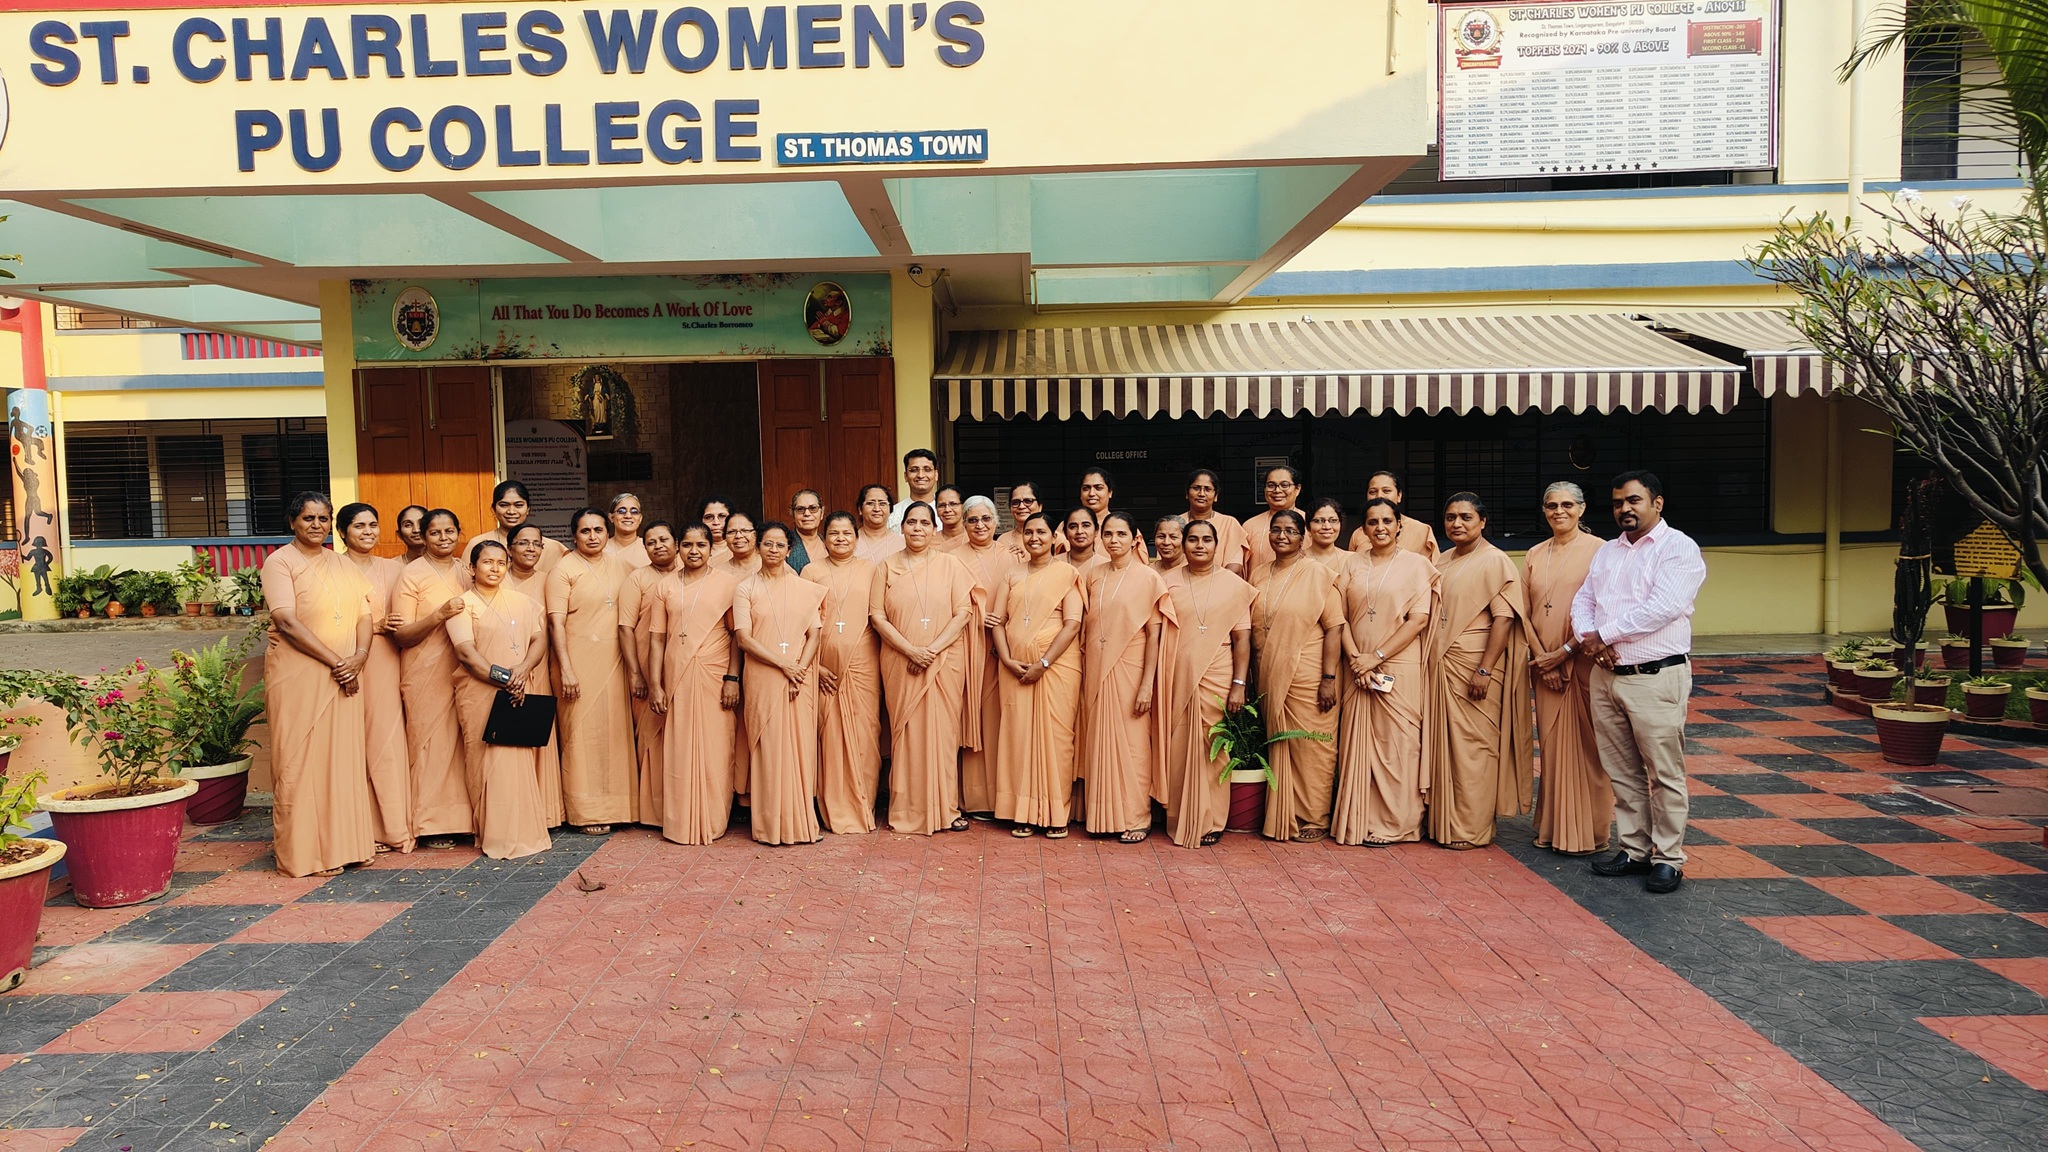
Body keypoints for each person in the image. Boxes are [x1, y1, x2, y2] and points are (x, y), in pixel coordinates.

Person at [1575, 470, 1707, 895]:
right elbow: (1584, 600)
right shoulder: (1608, 552)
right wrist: (1590, 638)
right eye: (1618, 502)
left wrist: (1604, 636)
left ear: (1657, 503)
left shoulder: (1678, 548)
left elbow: (1663, 607)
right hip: (1607, 676)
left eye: (1633, 500)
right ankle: (1634, 850)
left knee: (1664, 772)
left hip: (1655, 677)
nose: (1624, 509)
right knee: (1622, 771)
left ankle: (1668, 858)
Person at [260, 492, 377, 877]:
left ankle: (348, 846)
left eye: (323, 518)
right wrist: (337, 663)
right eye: (308, 518)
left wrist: (359, 657)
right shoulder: (280, 562)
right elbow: (287, 621)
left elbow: (364, 616)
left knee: (342, 760)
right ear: (292, 521)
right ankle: (307, 854)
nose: (317, 525)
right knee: (302, 761)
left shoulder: (342, 564)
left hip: (346, 674)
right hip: (301, 674)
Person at [1425, 493, 1533, 850]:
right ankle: (1445, 822)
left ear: (1482, 522)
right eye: (1450, 517)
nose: (1457, 523)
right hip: (1442, 664)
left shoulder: (1495, 561)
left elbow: (1503, 619)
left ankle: (1473, 827)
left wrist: (1484, 670)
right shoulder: (1442, 560)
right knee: (1447, 748)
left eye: (1466, 517)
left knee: (1474, 749)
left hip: (1475, 667)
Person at [1331, 498, 1437, 846]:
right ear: (1363, 528)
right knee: (1358, 743)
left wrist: (1375, 657)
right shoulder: (1351, 563)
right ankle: (1360, 819)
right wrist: (1355, 659)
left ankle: (1400, 824)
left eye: (1387, 521)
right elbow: (1339, 617)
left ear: (1398, 525)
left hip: (1397, 664)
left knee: (1399, 743)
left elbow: (1418, 620)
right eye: (1373, 522)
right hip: (1356, 665)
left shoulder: (1417, 565)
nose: (1380, 528)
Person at [870, 501, 979, 835]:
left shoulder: (951, 564)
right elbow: (877, 616)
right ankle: (907, 810)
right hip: (900, 660)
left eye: (924, 523)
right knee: (907, 734)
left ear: (934, 529)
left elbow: (963, 612)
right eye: (911, 522)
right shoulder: (886, 567)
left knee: (943, 736)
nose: (917, 528)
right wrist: (910, 651)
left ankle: (945, 808)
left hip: (944, 660)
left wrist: (931, 650)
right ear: (901, 528)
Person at [445, 540, 553, 860]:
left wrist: (522, 670)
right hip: (480, 693)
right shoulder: (463, 605)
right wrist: (508, 680)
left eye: (501, 563)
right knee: (486, 762)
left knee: (516, 760)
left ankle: (526, 832)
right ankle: (494, 833)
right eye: (487, 562)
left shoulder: (522, 601)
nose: (495, 568)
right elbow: (466, 653)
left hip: (517, 690)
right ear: (472, 568)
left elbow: (539, 638)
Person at [1522, 482, 1612, 856]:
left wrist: (1564, 653)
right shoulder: (1534, 553)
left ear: (1582, 508)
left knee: (1589, 748)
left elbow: (1604, 608)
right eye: (1551, 505)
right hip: (1544, 666)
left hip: (1583, 661)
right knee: (1553, 749)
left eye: (1567, 504)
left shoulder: (1602, 550)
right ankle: (1553, 828)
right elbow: (1524, 613)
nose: (1559, 511)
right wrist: (1543, 658)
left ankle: (1590, 832)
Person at [1154, 519, 1255, 848]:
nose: (1199, 545)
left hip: (1218, 671)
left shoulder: (1233, 585)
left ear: (1216, 545)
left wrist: (1239, 683)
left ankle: (1211, 819)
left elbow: (1242, 638)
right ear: (1183, 545)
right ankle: (1176, 814)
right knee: (1177, 744)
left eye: (1207, 540)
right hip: (1175, 672)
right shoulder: (1165, 581)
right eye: (1193, 539)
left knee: (1214, 747)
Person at [1249, 508, 1344, 842]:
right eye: (1276, 530)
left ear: (1303, 538)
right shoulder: (1258, 574)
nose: (1282, 536)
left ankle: (1314, 816)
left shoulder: (1319, 574)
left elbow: (1335, 629)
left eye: (1290, 531)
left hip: (1308, 675)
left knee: (1312, 746)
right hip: (1269, 673)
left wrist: (1328, 679)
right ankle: (1282, 814)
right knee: (1280, 743)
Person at [991, 511, 1085, 836]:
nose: (1034, 538)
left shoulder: (1067, 573)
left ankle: (1056, 814)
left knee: (1056, 740)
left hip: (1057, 668)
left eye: (1041, 532)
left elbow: (1072, 624)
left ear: (1054, 537)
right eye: (1029, 532)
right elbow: (998, 621)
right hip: (1014, 669)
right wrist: (1006, 659)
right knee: (1017, 738)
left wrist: (1043, 663)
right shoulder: (1011, 574)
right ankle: (1023, 812)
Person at [733, 522, 827, 846]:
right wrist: (784, 665)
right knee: (770, 749)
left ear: (790, 550)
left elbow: (814, 634)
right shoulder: (745, 588)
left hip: (800, 677)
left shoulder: (804, 588)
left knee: (800, 748)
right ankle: (770, 826)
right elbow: (744, 639)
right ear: (758, 546)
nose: (773, 550)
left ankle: (801, 823)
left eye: (780, 545)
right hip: (763, 675)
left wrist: (799, 668)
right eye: (767, 544)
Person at [649, 524, 743, 844]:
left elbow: (737, 637)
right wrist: (656, 684)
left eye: (701, 545)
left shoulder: (728, 584)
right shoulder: (665, 586)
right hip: (677, 674)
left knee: (716, 748)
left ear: (711, 548)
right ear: (678, 547)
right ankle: (681, 821)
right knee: (680, 747)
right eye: (687, 545)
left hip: (715, 676)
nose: (694, 551)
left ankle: (713, 819)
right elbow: (657, 640)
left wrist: (732, 678)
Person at [1079, 511, 1170, 843]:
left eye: (1121, 534)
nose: (1113, 540)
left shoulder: (1148, 577)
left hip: (1131, 669)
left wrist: (1147, 684)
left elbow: (1155, 635)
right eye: (1108, 534)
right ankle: (1103, 817)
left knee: (1133, 747)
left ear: (1135, 539)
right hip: (1096, 668)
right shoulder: (1094, 575)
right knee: (1099, 742)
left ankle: (1137, 817)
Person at [546, 508, 637, 834]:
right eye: (585, 531)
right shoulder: (563, 569)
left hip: (614, 661)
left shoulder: (622, 566)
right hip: (577, 664)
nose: (593, 536)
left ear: (607, 532)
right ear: (574, 536)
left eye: (598, 529)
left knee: (614, 734)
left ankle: (618, 808)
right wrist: (566, 669)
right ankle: (585, 812)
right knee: (581, 736)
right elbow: (555, 623)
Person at [393, 509, 475, 844]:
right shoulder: (411, 574)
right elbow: (402, 634)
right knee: (430, 745)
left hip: (466, 669)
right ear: (424, 537)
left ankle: (466, 819)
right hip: (425, 671)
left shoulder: (467, 570)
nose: (443, 538)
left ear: (459, 533)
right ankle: (431, 824)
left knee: (463, 743)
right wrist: (438, 615)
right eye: (435, 532)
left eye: (449, 531)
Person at [337, 502, 413, 854]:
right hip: (349, 659)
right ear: (342, 532)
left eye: (372, 525)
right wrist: (376, 626)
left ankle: (392, 826)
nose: (367, 532)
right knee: (352, 742)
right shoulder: (333, 567)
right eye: (359, 526)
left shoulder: (393, 568)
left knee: (387, 740)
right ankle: (359, 828)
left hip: (389, 659)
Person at [804, 512, 884, 833]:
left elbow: (879, 615)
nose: (840, 538)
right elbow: (804, 622)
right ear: (824, 538)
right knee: (829, 736)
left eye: (846, 533)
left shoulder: (872, 570)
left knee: (865, 732)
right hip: (823, 663)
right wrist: (816, 665)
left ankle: (863, 804)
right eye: (834, 533)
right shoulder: (811, 571)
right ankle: (834, 807)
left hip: (863, 662)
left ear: (856, 537)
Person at [953, 495, 1022, 818]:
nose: (980, 525)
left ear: (996, 522)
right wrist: (976, 619)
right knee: (973, 718)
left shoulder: (1013, 555)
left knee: (1003, 720)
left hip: (1006, 649)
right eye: (972, 520)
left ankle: (1006, 796)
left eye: (986, 519)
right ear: (963, 524)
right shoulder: (951, 559)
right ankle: (975, 797)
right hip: (969, 647)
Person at [502, 523, 564, 828]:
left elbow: (553, 625)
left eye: (536, 544)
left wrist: (528, 665)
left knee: (539, 735)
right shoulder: (496, 579)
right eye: (523, 543)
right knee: (506, 741)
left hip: (538, 666)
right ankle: (512, 812)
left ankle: (544, 812)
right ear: (509, 548)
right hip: (501, 670)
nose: (530, 548)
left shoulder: (549, 580)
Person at [619, 520, 679, 821]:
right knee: (651, 739)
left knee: (679, 737)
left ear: (676, 543)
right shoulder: (637, 578)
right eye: (651, 542)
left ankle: (682, 806)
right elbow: (626, 628)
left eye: (664, 540)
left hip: (681, 669)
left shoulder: (689, 574)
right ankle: (655, 811)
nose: (658, 546)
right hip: (646, 669)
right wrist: (636, 673)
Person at [468, 480, 566, 572]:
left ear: (528, 509)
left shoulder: (553, 548)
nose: (511, 511)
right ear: (494, 509)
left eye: (518, 505)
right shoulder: (477, 543)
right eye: (504, 505)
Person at [1348, 470, 1439, 560]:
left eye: (1386, 491)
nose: (1379, 496)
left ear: (1399, 495)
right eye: (1373, 492)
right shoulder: (1358, 534)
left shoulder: (1422, 531)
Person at [1184, 469, 1249, 576]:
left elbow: (1235, 566)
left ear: (1216, 496)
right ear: (1187, 493)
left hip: (1221, 583)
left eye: (1207, 489)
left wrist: (1212, 583)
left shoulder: (1229, 523)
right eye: (1196, 488)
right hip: (1180, 583)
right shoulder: (1175, 523)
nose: (1201, 494)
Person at [1244, 464, 1303, 573]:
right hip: (1259, 583)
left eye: (1284, 485)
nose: (1277, 490)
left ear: (1297, 489)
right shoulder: (1250, 525)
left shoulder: (1309, 523)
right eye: (1271, 485)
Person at [997, 482, 1065, 556]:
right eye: (1015, 502)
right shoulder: (1003, 540)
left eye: (1028, 501)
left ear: (1040, 506)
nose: (1021, 506)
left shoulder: (1056, 538)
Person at [886, 448, 942, 528]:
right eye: (914, 470)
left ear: (936, 475)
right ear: (906, 476)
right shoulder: (893, 515)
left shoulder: (948, 512)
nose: (921, 475)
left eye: (927, 469)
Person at [854, 484, 905, 563]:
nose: (877, 509)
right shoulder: (850, 542)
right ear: (860, 509)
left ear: (890, 510)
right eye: (870, 503)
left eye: (882, 504)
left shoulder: (902, 544)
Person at [606, 492, 650, 567]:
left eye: (634, 512)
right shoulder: (602, 549)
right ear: (611, 517)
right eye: (621, 511)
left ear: (640, 518)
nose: (628, 516)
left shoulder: (649, 548)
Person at [718, 511, 764, 581]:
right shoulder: (719, 572)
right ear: (725, 537)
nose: (738, 536)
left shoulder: (770, 565)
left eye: (745, 530)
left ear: (756, 535)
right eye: (732, 532)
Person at [1063, 507, 1107, 578]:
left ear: (1096, 531)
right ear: (1065, 533)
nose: (1079, 531)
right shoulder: (1054, 563)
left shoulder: (1106, 565)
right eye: (1073, 527)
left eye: (1086, 526)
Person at [1305, 498, 1348, 568]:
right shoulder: (1296, 560)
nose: (1327, 527)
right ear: (1308, 526)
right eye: (1319, 521)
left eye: (1333, 520)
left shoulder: (1351, 559)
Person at [789, 489, 826, 571]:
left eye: (813, 508)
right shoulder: (785, 545)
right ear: (792, 514)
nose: (807, 514)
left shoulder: (829, 544)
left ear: (822, 513)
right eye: (800, 509)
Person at [697, 497, 735, 561]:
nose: (716, 523)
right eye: (709, 517)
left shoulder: (742, 551)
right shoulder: (691, 553)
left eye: (722, 516)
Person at [933, 486, 967, 550]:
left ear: (963, 507)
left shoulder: (974, 538)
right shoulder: (929, 542)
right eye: (942, 505)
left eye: (953, 504)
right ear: (936, 509)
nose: (947, 510)